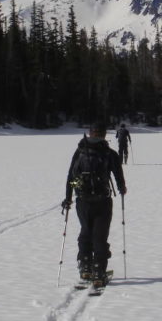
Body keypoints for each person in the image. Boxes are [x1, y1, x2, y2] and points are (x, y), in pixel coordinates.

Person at [62, 121, 127, 287]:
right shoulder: (109, 153)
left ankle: (85, 267)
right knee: (100, 236)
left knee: (85, 232)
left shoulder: (80, 151)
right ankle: (99, 272)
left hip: (82, 201)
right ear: (104, 135)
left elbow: (71, 177)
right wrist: (121, 188)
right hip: (102, 201)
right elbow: (118, 174)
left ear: (90, 133)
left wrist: (69, 198)